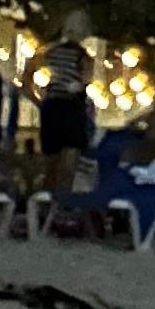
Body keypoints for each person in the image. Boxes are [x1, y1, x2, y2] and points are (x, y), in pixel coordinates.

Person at [36, 43, 97, 198]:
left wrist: (40, 101)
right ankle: (60, 201)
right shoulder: (78, 54)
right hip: (68, 108)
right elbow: (86, 77)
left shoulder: (50, 51)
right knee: (65, 166)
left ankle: (52, 201)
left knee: (53, 166)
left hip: (56, 107)